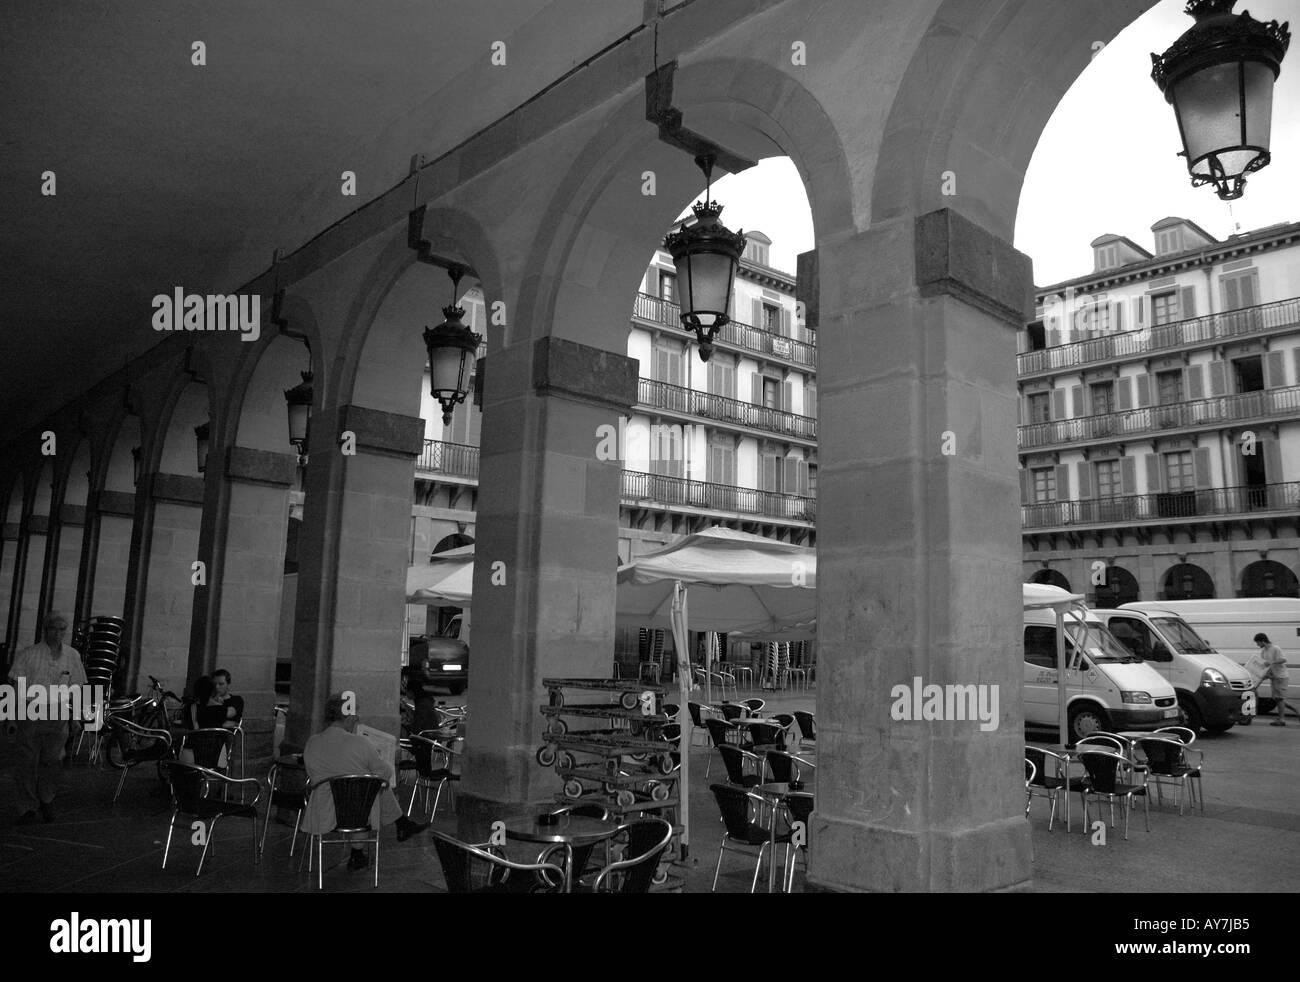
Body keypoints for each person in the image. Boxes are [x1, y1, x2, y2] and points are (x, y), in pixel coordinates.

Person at [303, 693, 428, 870]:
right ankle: (395, 828)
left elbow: (312, 773)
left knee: (368, 786)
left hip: (323, 811)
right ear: (350, 717)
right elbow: (385, 772)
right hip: (358, 813)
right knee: (373, 786)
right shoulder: (360, 743)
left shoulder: (312, 743)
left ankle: (399, 827)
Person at [6, 612, 87, 824]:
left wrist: (76, 716)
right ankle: (27, 806)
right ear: (46, 630)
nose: (58, 634)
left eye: (62, 630)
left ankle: (47, 797)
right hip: (31, 710)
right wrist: (12, 717)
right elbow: (17, 687)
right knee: (26, 761)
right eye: (54, 629)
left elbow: (77, 687)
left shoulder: (72, 656)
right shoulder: (28, 654)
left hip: (58, 712)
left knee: (54, 759)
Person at [1253, 633, 1295, 727]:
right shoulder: (1263, 652)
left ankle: (1282, 719)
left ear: (1263, 641)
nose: (1257, 645)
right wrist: (1263, 676)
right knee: (1277, 699)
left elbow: (1283, 660)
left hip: (1281, 677)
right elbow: (1265, 667)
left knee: (1279, 699)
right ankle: (1295, 711)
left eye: (1258, 642)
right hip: (1274, 677)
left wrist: (1271, 662)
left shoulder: (1275, 648)